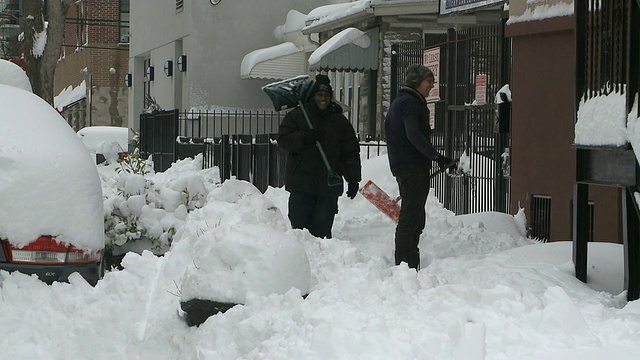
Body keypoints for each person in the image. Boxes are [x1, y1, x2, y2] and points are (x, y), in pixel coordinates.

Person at [384, 64, 456, 270]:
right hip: (411, 165)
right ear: (416, 82)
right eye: (429, 80)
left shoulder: (401, 102)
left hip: (404, 164)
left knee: (414, 214)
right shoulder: (410, 104)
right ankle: (405, 264)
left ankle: (408, 262)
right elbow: (413, 134)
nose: (432, 85)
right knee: (411, 216)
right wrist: (436, 156)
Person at [277, 74, 361, 238]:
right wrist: (303, 137)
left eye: (326, 96)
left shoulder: (339, 122)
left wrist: (353, 178)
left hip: (327, 185)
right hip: (301, 182)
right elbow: (283, 140)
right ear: (313, 96)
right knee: (300, 231)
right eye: (319, 95)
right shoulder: (298, 116)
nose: (323, 99)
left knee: (322, 231)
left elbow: (350, 152)